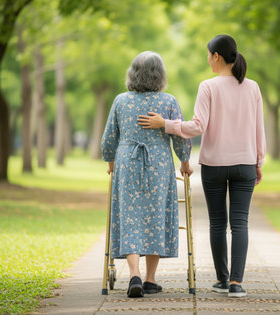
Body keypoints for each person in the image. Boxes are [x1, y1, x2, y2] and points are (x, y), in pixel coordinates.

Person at [138, 35, 266, 298]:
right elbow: (258, 130)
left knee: (218, 222)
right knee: (240, 222)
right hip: (245, 163)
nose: (207, 59)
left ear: (216, 56)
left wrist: (166, 124)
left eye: (208, 55)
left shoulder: (208, 87)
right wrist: (259, 162)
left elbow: (197, 126)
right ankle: (235, 283)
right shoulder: (253, 87)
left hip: (214, 165)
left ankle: (222, 278)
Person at [101, 51, 192, 298]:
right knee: (156, 214)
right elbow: (179, 135)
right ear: (159, 75)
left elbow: (109, 138)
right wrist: (184, 161)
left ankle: (134, 274)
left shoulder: (121, 101)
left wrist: (110, 161)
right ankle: (151, 279)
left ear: (133, 73)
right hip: (159, 164)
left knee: (130, 214)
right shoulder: (169, 101)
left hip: (127, 162)